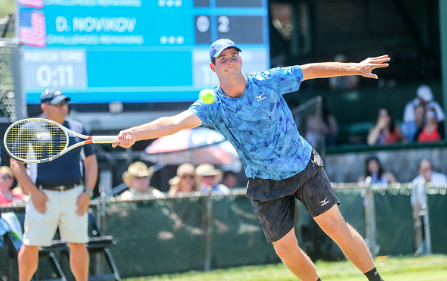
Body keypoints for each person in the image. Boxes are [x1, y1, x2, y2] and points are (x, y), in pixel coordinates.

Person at [112, 39, 389, 281]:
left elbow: (310, 70)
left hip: (301, 165)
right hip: (264, 181)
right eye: (223, 58)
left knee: (333, 225)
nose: (230, 61)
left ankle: (375, 279)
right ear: (213, 67)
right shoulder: (213, 105)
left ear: (240, 60)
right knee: (285, 249)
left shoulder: (267, 80)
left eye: (234, 56)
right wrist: (135, 133)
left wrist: (355, 67)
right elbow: (174, 123)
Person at [10, 89, 98, 281]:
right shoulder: (29, 128)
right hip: (42, 197)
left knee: (78, 243)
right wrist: (33, 192)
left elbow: (91, 162)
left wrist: (87, 193)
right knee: (31, 244)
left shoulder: (78, 128)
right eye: (57, 104)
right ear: (44, 107)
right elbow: (16, 163)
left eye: (64, 103)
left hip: (75, 197)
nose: (63, 107)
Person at [411, 159, 447, 254]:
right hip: (424, 216)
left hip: (442, 213)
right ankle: (423, 248)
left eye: (430, 168)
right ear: (420, 171)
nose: (429, 171)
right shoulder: (416, 183)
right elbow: (414, 205)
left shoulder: (441, 178)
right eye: (426, 169)